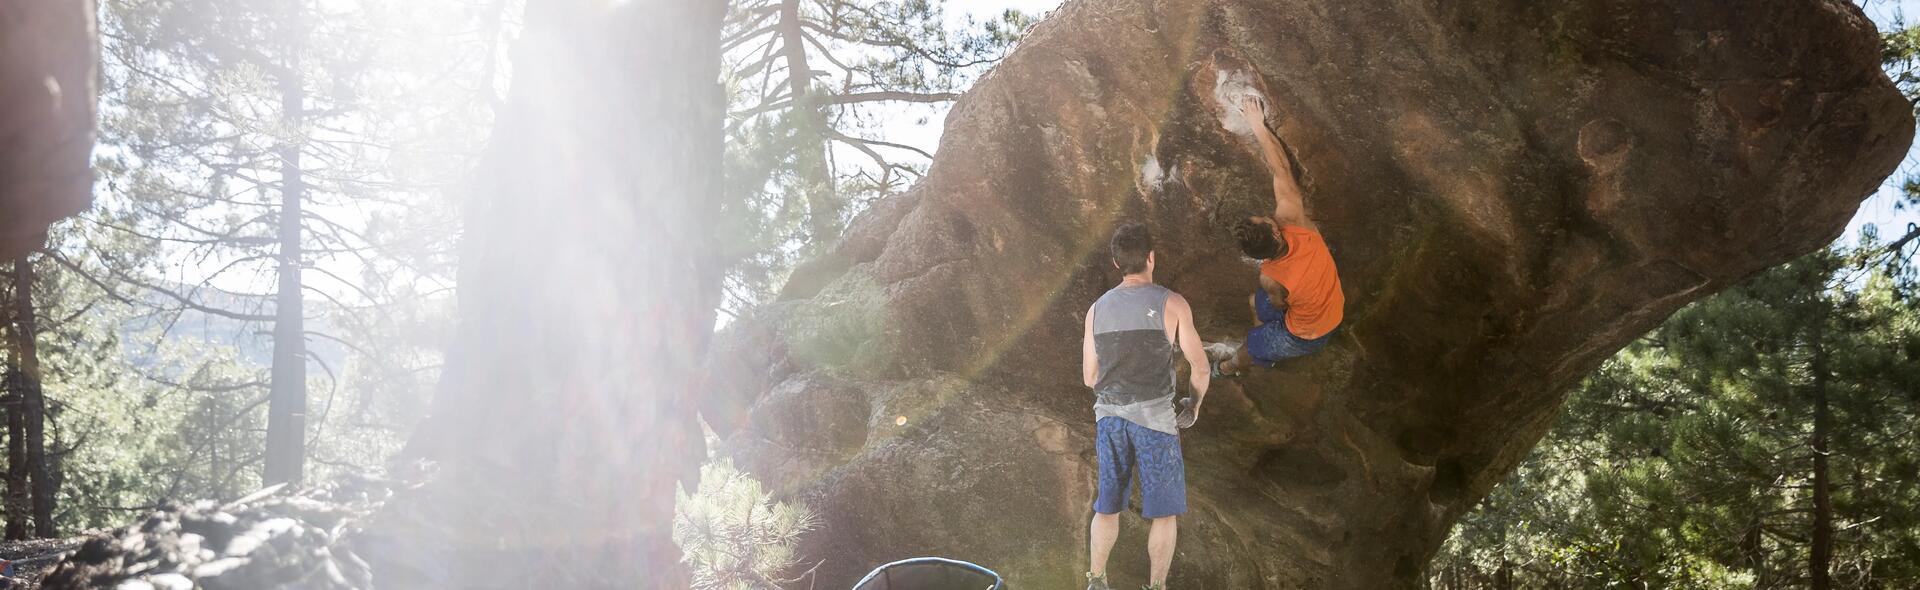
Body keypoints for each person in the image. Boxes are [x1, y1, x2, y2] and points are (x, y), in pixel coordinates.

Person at [1082, 223, 1210, 590]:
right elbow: (1200, 366)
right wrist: (1194, 404)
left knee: (1106, 506)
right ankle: (1156, 587)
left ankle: (1096, 581)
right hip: (1156, 422)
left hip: (1110, 420)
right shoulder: (1172, 303)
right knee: (1164, 512)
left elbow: (1090, 377)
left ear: (1116, 262)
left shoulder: (1096, 310)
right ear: (1151, 258)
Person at [1209, 95, 1345, 377]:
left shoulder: (1270, 276)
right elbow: (1281, 170)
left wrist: (1257, 125)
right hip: (1321, 316)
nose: (1269, 215)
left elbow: (1280, 302)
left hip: (1313, 330)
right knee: (1253, 302)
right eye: (1266, 219)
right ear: (1275, 231)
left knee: (1250, 345)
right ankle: (1257, 346)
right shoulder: (1296, 223)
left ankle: (1228, 368)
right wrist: (1257, 125)